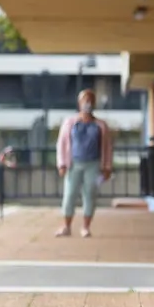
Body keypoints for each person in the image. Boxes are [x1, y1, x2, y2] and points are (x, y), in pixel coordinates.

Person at [55, 89, 113, 238]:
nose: (87, 103)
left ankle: (86, 227)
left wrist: (107, 167)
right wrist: (62, 164)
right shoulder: (70, 123)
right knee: (69, 195)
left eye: (90, 100)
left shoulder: (101, 125)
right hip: (73, 164)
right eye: (84, 100)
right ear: (79, 103)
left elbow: (107, 147)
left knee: (90, 195)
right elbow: (62, 143)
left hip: (93, 165)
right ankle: (66, 226)